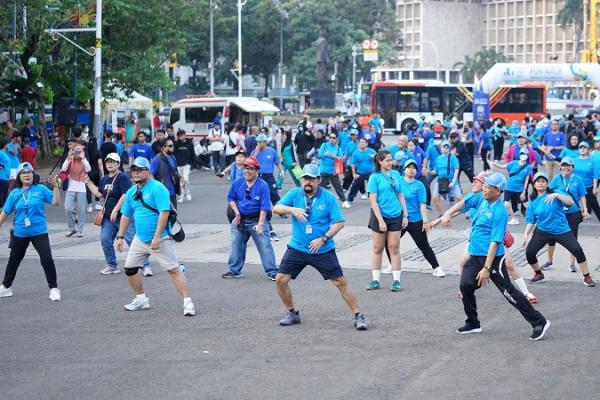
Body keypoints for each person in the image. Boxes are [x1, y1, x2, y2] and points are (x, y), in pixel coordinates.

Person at [273, 164, 368, 331]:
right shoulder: (295, 194)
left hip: (322, 249)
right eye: (305, 178)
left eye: (311, 178)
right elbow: (276, 208)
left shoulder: (328, 198)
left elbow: (340, 222)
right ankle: (292, 313)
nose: (307, 182)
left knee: (340, 282)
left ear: (319, 180)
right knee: (281, 279)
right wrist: (292, 209)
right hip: (298, 247)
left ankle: (358, 315)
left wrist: (323, 239)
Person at [456, 172, 550, 340]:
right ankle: (473, 323)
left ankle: (539, 322)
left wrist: (486, 268)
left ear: (498, 191)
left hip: (493, 260)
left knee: (509, 293)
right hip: (476, 254)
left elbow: (495, 242)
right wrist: (446, 215)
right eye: (484, 186)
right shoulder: (482, 200)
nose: (484, 189)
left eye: (488, 187)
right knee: (465, 285)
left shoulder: (500, 212)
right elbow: (463, 203)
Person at [435, 172, 538, 304]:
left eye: (477, 181)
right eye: (473, 180)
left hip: (495, 237)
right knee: (463, 262)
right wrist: (442, 218)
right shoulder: (476, 197)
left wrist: (486, 268)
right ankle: (465, 288)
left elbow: (495, 235)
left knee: (509, 265)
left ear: (490, 187)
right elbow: (457, 210)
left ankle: (525, 293)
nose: (473, 183)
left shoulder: (489, 201)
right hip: (477, 237)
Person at [115, 157, 196, 316]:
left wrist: (157, 237)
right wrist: (120, 237)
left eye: (139, 169)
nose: (136, 173)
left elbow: (164, 213)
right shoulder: (132, 192)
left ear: (148, 171)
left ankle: (188, 302)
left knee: (173, 269)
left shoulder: (158, 189)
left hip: (161, 237)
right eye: (134, 170)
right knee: (130, 268)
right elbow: (125, 215)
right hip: (140, 239)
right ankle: (141, 299)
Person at [0, 162, 62, 301]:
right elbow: (5, 212)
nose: (27, 175)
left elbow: (56, 202)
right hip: (20, 233)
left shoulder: (40, 189)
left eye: (29, 172)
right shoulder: (15, 193)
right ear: (19, 177)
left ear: (33, 175)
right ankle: (5, 287)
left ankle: (54, 288)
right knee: (14, 260)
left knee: (46, 258)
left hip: (39, 231)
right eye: (23, 172)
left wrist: (57, 187)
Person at [523, 171, 595, 287]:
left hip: (562, 230)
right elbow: (531, 220)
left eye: (543, 181)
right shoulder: (533, 201)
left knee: (577, 250)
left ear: (547, 184)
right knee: (530, 253)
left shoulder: (555, 193)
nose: (540, 184)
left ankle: (587, 277)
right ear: (534, 184)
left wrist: (557, 195)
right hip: (543, 231)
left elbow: (570, 203)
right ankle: (538, 274)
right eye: (538, 182)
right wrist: (526, 234)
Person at [84, 153, 151, 275]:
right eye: (108, 162)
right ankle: (112, 265)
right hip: (108, 218)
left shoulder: (122, 177)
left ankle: (145, 265)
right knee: (105, 240)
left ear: (118, 164)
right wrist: (88, 183)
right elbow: (99, 194)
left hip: (123, 216)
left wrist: (115, 209)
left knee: (134, 241)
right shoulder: (104, 179)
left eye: (113, 162)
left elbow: (125, 195)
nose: (110, 164)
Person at [222, 156, 278, 280]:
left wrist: (261, 224)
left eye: (251, 169)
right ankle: (234, 271)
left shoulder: (262, 185)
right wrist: (236, 212)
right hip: (240, 219)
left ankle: (272, 271)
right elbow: (231, 198)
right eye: (245, 168)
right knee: (236, 244)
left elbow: (265, 207)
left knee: (264, 245)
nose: (247, 171)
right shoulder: (237, 182)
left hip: (257, 219)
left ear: (257, 170)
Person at [365, 150, 409, 291]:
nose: (390, 162)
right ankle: (375, 280)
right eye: (387, 160)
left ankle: (396, 281)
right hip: (379, 216)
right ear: (380, 161)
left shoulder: (396, 175)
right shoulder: (374, 177)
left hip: (396, 214)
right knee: (378, 248)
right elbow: (373, 200)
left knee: (394, 248)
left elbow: (400, 194)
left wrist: (405, 215)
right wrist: (381, 221)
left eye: (391, 160)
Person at [539, 159, 589, 273]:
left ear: (573, 167)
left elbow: (582, 196)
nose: (566, 168)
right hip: (557, 213)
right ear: (560, 167)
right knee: (551, 236)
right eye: (564, 166)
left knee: (572, 238)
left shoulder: (578, 179)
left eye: (569, 166)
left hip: (573, 212)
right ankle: (549, 260)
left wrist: (585, 209)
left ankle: (572, 264)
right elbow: (548, 192)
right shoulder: (557, 179)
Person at [400, 159, 445, 277]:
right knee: (390, 243)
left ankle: (437, 268)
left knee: (424, 245)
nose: (411, 169)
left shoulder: (419, 185)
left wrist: (425, 221)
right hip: (400, 220)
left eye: (414, 168)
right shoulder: (398, 182)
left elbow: (423, 205)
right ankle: (393, 265)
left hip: (416, 220)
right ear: (404, 170)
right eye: (408, 167)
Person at [61, 143, 91, 237]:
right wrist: (68, 157)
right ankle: (72, 228)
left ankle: (79, 230)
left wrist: (83, 158)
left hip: (81, 187)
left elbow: (89, 169)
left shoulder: (84, 160)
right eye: (76, 151)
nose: (77, 153)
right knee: (68, 208)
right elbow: (63, 169)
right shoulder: (70, 160)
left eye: (80, 151)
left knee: (82, 209)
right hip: (71, 186)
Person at [502, 147, 533, 225]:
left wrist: (524, 191)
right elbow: (504, 167)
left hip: (519, 188)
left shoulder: (528, 167)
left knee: (526, 204)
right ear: (519, 155)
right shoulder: (513, 163)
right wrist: (493, 163)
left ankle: (538, 216)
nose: (523, 155)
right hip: (508, 187)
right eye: (522, 153)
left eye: (525, 154)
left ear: (527, 155)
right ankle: (514, 218)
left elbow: (526, 181)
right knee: (506, 203)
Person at [431, 140, 462, 216]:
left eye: (447, 147)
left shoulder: (453, 158)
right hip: (440, 181)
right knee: (435, 198)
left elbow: (456, 170)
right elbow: (435, 171)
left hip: (451, 181)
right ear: (441, 148)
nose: (445, 148)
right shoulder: (438, 158)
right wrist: (428, 171)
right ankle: (442, 214)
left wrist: (453, 182)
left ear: (449, 149)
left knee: (459, 198)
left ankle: (466, 214)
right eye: (443, 147)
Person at [317, 132, 347, 205]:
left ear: (336, 139)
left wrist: (334, 156)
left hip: (333, 170)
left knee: (338, 186)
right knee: (322, 187)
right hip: (323, 169)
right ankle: (321, 202)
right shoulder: (324, 145)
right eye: (330, 137)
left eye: (333, 138)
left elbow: (341, 158)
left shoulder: (337, 148)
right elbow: (319, 155)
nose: (332, 139)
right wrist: (325, 154)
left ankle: (344, 201)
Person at [344, 137, 376, 207]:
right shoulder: (356, 153)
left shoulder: (371, 151)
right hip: (360, 172)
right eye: (360, 142)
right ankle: (349, 200)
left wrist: (374, 156)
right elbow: (353, 164)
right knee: (354, 187)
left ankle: (375, 201)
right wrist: (354, 174)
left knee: (373, 187)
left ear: (367, 144)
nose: (362, 143)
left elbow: (379, 158)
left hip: (371, 173)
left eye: (363, 142)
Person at [573, 141, 600, 222]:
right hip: (576, 186)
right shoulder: (574, 160)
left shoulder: (592, 161)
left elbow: (595, 175)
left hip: (588, 186)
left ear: (587, 150)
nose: (582, 149)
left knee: (594, 204)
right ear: (578, 150)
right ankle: (576, 219)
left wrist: (595, 187)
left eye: (584, 147)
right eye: (581, 147)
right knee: (573, 204)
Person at [150, 138, 179, 208]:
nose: (172, 148)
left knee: (173, 215)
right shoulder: (156, 159)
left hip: (172, 192)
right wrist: (155, 188)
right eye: (170, 146)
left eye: (173, 146)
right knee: (163, 214)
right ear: (163, 147)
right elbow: (151, 174)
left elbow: (174, 172)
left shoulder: (173, 158)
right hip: (162, 192)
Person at [174, 130, 195, 203]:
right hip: (178, 165)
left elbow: (193, 154)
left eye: (182, 135)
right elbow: (173, 152)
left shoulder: (190, 144)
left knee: (185, 179)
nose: (181, 137)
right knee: (181, 181)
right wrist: (176, 142)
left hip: (186, 164)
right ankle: (182, 196)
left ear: (185, 135)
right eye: (179, 136)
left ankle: (187, 193)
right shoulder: (176, 144)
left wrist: (194, 164)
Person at [0, 140, 10, 207]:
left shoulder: (5, 153)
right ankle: (1, 207)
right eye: (8, 144)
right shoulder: (0, 152)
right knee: (1, 192)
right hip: (1, 176)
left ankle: (4, 207)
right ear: (5, 145)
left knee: (5, 193)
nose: (9, 145)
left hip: (7, 176)